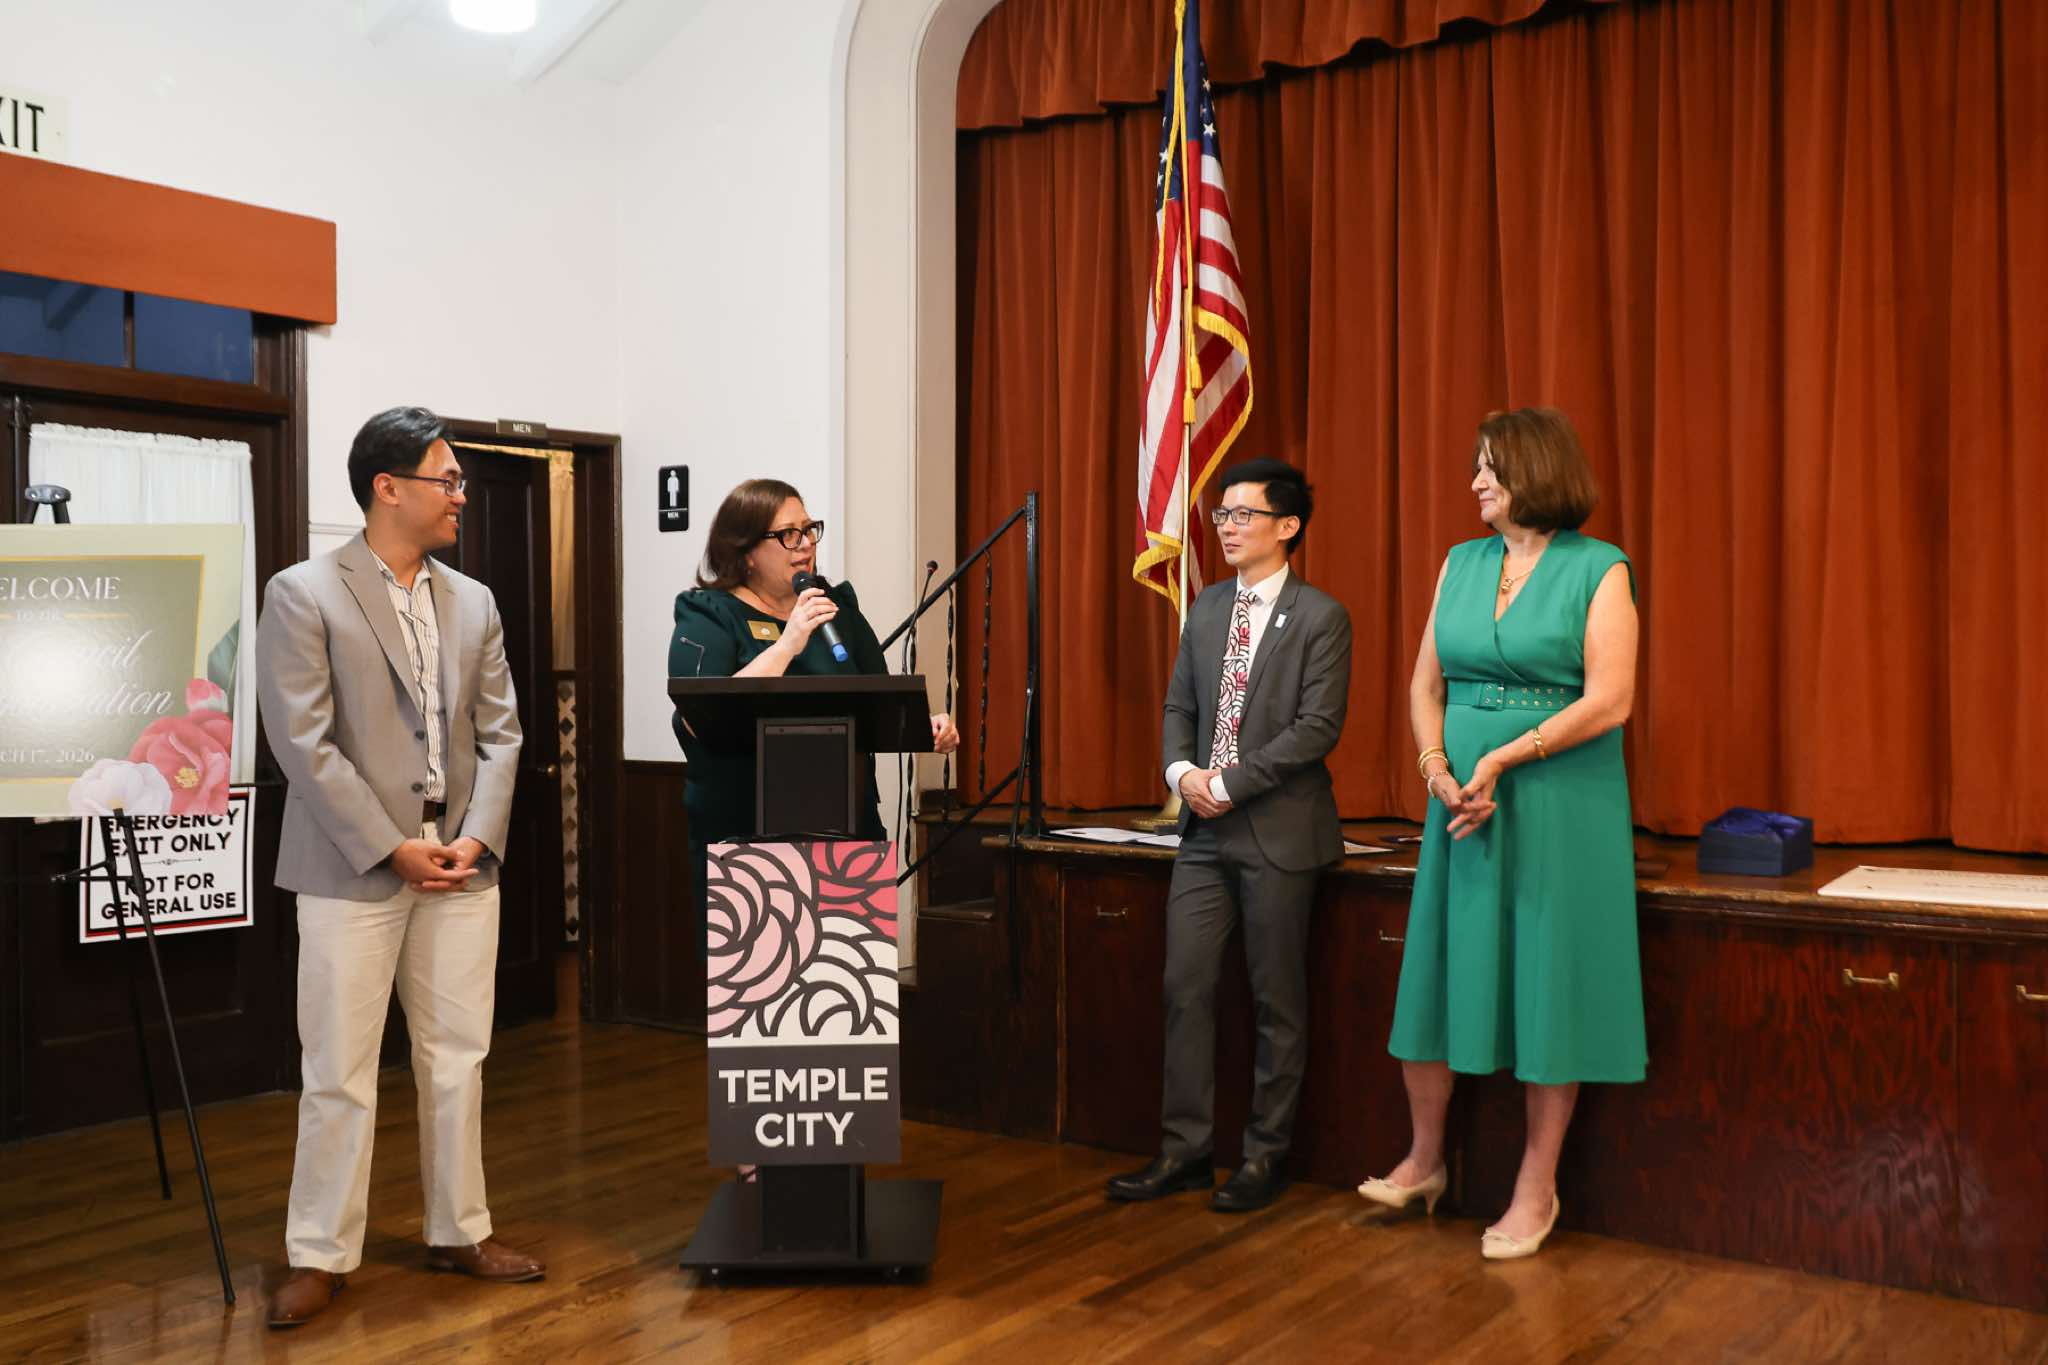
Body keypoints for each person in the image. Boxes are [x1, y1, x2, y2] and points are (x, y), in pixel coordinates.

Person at [256, 406, 542, 1328]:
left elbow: (502, 735)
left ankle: (459, 1229)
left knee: (458, 1058)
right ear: (388, 487)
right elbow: (302, 743)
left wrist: (476, 835)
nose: (461, 495)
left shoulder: (476, 601)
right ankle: (319, 1253)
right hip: (352, 867)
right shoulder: (303, 592)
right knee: (338, 1069)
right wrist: (392, 846)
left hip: (461, 867)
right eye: (447, 479)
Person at [1360, 407, 1644, 1260]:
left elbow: (1612, 698)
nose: (1477, 480)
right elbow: (1425, 686)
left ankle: (1536, 1185)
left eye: (1492, 466)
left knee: (1550, 985)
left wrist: (1505, 759)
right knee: (1437, 969)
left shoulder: (1600, 567)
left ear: (1537, 470)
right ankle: (1424, 1159)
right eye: (1477, 465)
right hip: (1460, 801)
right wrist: (1437, 768)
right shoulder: (1461, 561)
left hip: (1561, 801)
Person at [1107, 458, 1352, 1214]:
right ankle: (1184, 1152)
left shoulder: (1321, 616)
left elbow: (1316, 728)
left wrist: (1230, 783)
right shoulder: (1209, 606)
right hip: (1203, 835)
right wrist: (1183, 772)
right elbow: (1179, 705)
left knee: (1277, 1000)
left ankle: (1264, 1157)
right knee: (1184, 987)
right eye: (1222, 514)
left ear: (1288, 526)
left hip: (1278, 830)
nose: (1227, 527)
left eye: (1245, 514)